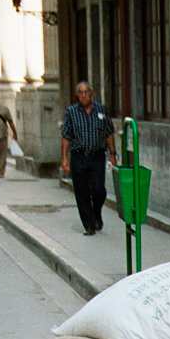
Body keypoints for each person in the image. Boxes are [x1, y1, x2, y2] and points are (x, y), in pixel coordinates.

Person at [60, 81, 117, 235]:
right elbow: (66, 136)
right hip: (78, 156)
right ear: (77, 95)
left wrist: (112, 154)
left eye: (86, 92)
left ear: (91, 93)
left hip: (97, 156)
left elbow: (109, 132)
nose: (84, 95)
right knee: (82, 192)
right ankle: (89, 225)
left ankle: (96, 212)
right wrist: (64, 159)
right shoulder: (71, 112)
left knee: (99, 190)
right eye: (80, 92)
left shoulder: (101, 110)